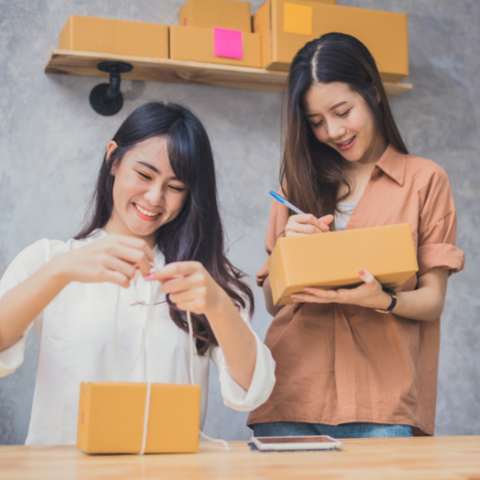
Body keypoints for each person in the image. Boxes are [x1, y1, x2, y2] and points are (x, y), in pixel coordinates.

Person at [0, 102, 275, 445]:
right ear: (114, 159)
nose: (155, 197)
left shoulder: (197, 280)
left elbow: (254, 388)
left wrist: (218, 305)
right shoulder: (49, 259)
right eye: (144, 175)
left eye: (175, 187)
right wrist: (60, 271)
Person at [248, 33, 465, 438]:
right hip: (290, 391)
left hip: (380, 401)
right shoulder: (297, 186)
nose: (333, 131)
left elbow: (432, 301)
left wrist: (383, 299)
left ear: (373, 92)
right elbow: (274, 306)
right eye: (316, 122)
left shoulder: (424, 180)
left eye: (342, 111)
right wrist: (285, 253)